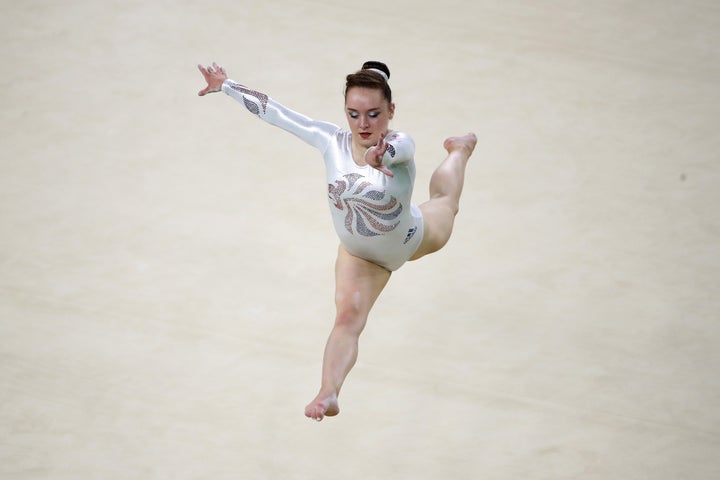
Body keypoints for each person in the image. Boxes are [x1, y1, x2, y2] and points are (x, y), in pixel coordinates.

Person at [197, 61, 476, 421]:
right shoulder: (332, 141)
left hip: (412, 236)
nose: (363, 124)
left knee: (444, 203)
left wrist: (381, 155)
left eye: (374, 114)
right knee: (347, 319)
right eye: (354, 114)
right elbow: (277, 113)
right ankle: (328, 392)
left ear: (390, 111)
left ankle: (459, 151)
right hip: (359, 257)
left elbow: (397, 151)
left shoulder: (400, 144)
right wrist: (228, 86)